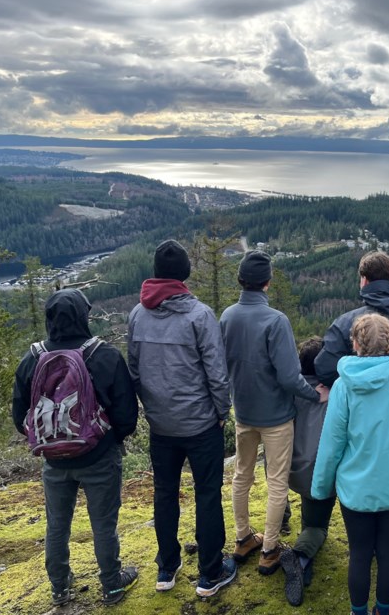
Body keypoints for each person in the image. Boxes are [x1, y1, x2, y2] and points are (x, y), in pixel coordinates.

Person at [11, 288, 140, 606]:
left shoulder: (32, 358)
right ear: (84, 316)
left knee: (57, 523)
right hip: (98, 455)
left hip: (54, 461)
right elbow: (126, 413)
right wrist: (111, 440)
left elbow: (20, 415)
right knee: (103, 523)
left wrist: (49, 442)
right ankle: (111, 585)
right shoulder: (103, 355)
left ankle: (59, 587)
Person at [127, 239, 237, 598]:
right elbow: (217, 375)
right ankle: (210, 573)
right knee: (207, 494)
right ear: (185, 274)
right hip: (202, 423)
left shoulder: (137, 315)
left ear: (156, 272)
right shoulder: (199, 315)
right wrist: (221, 413)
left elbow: (134, 371)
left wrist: (152, 407)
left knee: (164, 494)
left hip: (161, 425)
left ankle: (167, 566)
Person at [312, 313, 389, 615]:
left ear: (355, 343)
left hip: (355, 491)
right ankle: (383, 609)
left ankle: (358, 611)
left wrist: (321, 486)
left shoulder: (342, 386)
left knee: (360, 553)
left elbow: (332, 444)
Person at [314, 250, 389, 555]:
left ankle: (366, 546)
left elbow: (323, 366)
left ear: (364, 280)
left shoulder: (347, 322)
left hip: (360, 414)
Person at [219, 250, 328, 576]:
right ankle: (269, 549)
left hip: (244, 412)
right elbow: (288, 376)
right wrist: (315, 394)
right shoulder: (276, 320)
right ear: (267, 282)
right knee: (276, 481)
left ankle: (242, 539)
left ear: (241, 280)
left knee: (242, 475)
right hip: (277, 417)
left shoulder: (227, 316)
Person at [279, 336, 333, 606]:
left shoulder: (289, 392)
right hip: (322, 476)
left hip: (292, 472)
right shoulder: (335, 394)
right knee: (317, 525)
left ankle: (302, 563)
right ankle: (300, 556)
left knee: (309, 506)